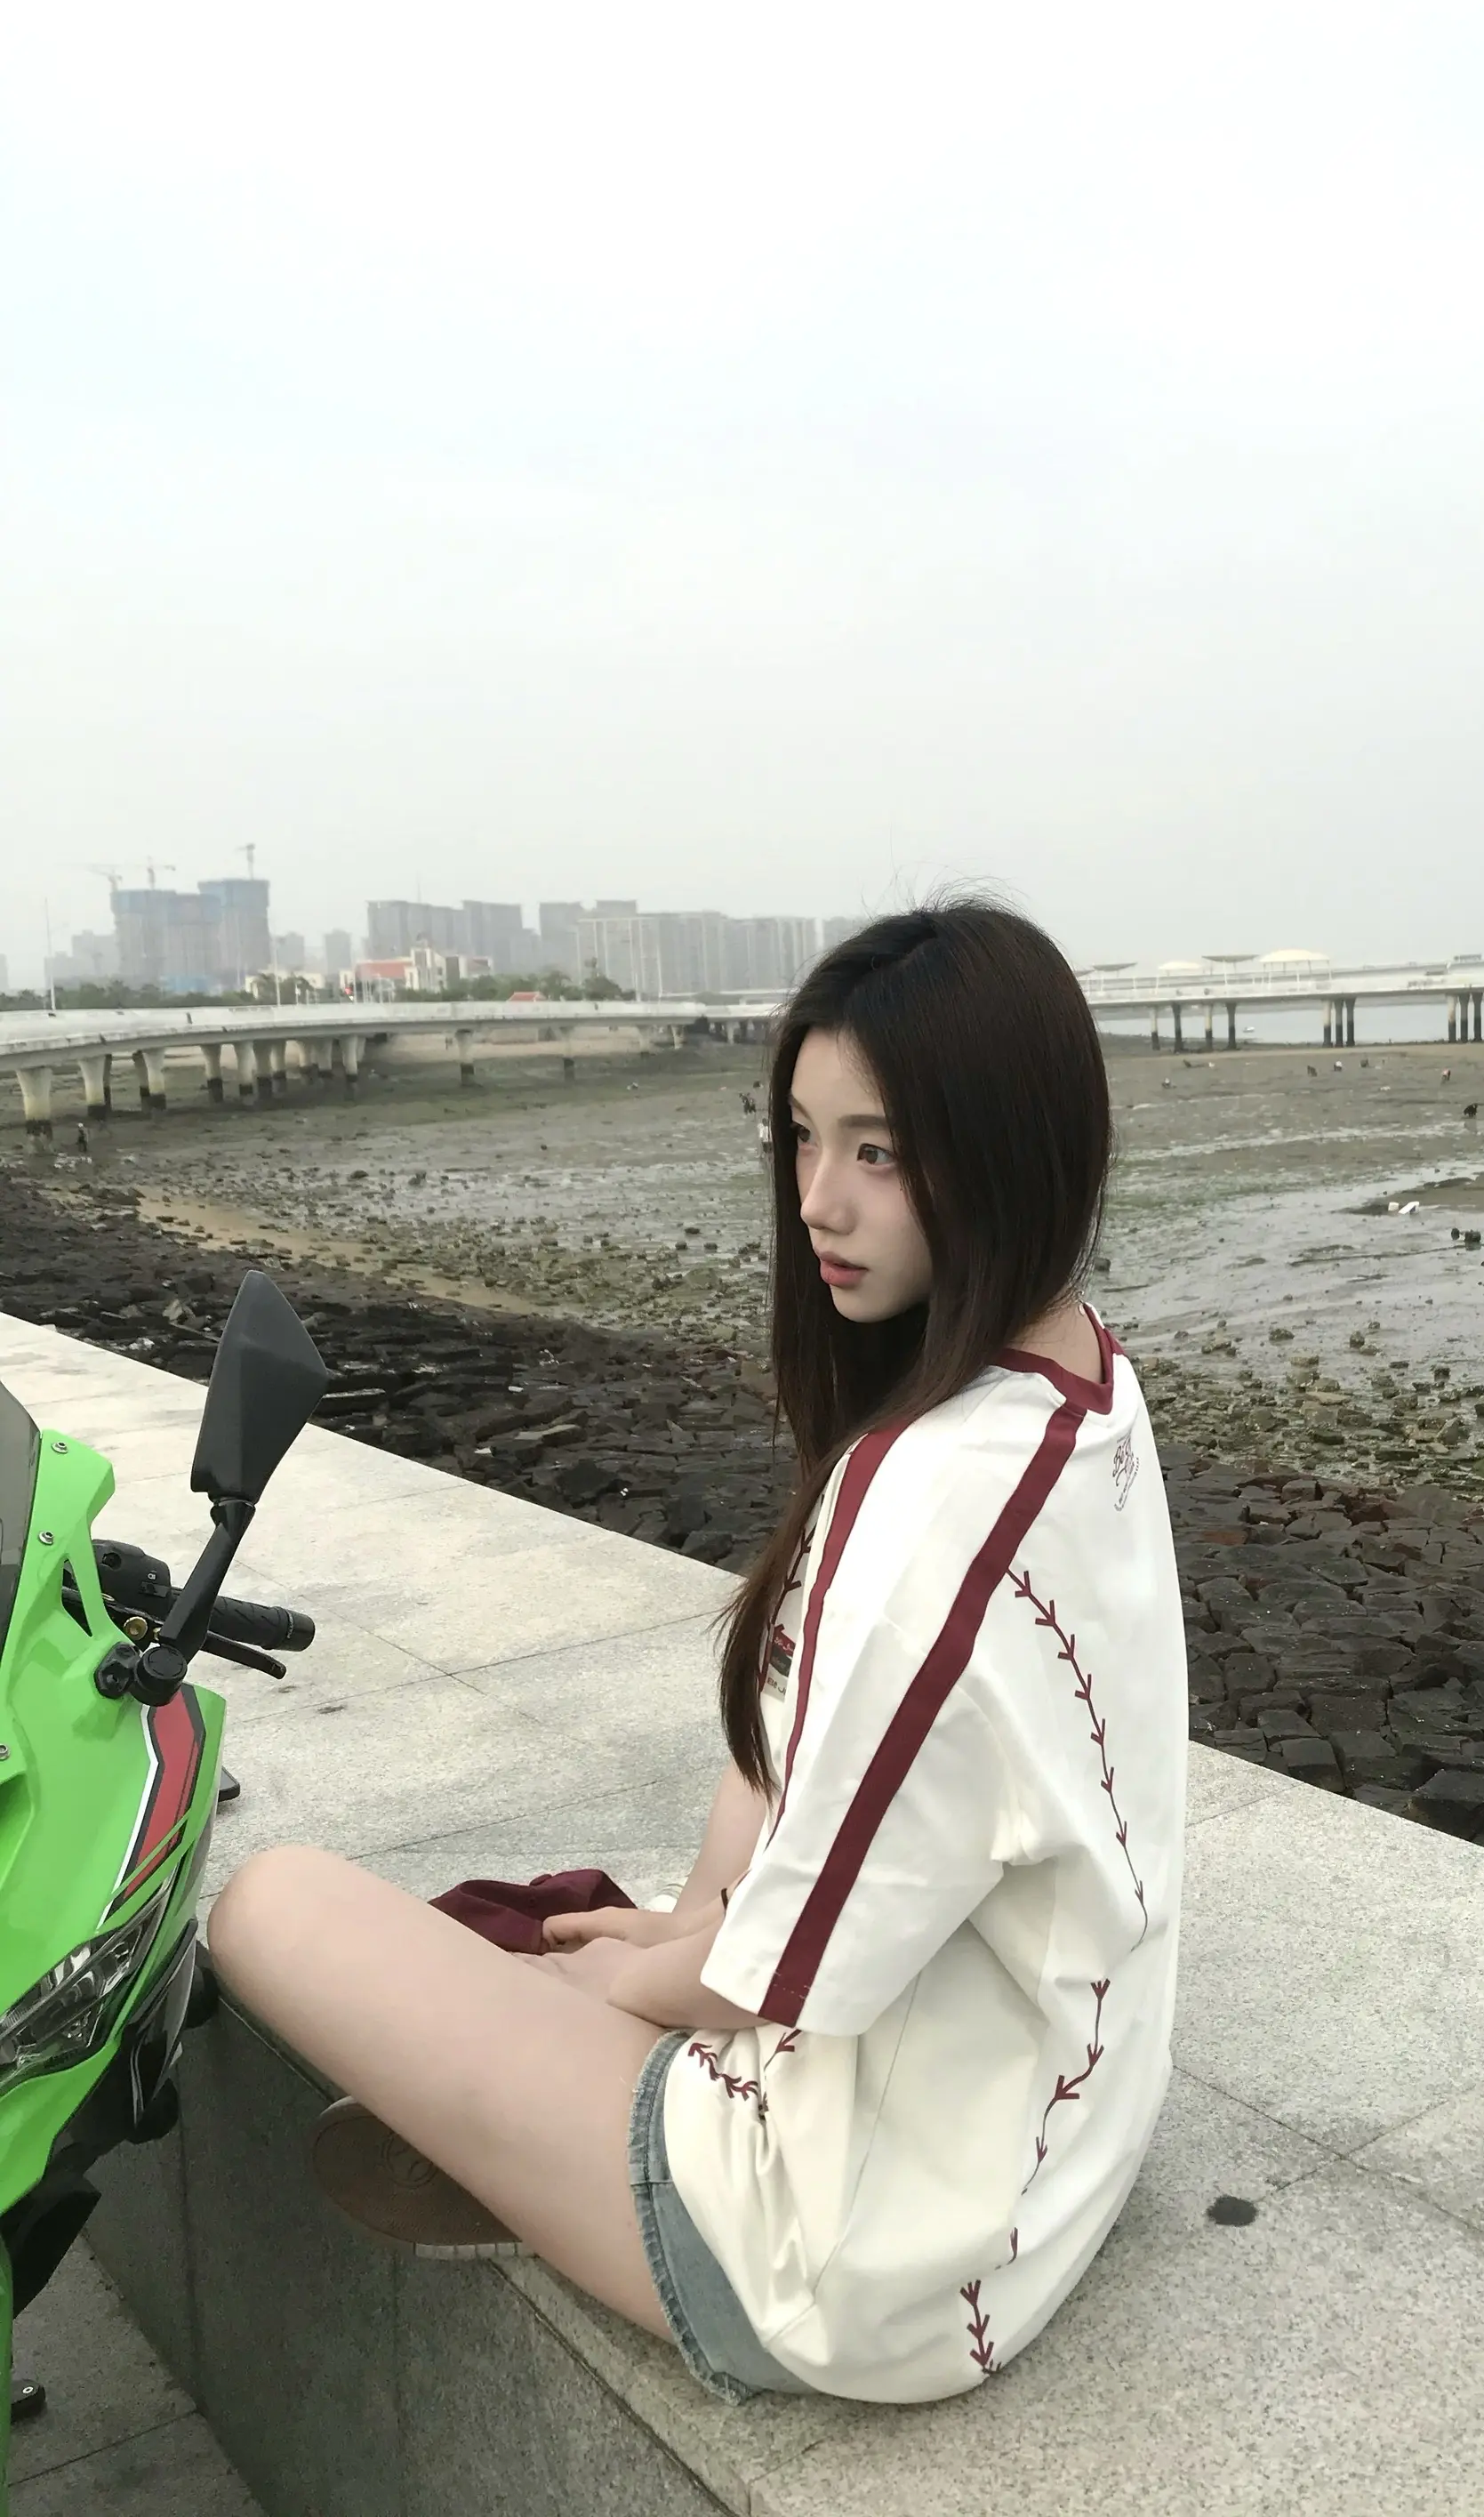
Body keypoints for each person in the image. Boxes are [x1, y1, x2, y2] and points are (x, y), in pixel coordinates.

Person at [208, 903, 1187, 2406]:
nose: (819, 1202)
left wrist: (628, 1987)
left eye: (879, 1152)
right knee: (699, 1806)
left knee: (268, 1903)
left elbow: (790, 1973)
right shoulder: (1086, 1384)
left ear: (1007, 1149)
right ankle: (533, 2124)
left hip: (854, 2254)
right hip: (1051, 2133)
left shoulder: (930, 1499)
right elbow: (846, 1771)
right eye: (801, 1138)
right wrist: (684, 1924)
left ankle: (543, 2150)